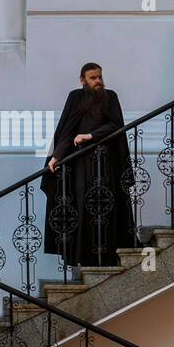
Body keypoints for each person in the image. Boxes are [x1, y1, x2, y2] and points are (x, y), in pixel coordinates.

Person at [41, 63, 136, 267]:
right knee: (82, 206)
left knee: (106, 208)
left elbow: (115, 125)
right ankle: (81, 259)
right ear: (83, 80)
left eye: (100, 77)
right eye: (93, 78)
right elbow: (66, 130)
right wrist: (56, 157)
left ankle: (107, 257)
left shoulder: (110, 97)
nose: (98, 81)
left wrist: (90, 136)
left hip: (106, 165)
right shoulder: (75, 97)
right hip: (81, 166)